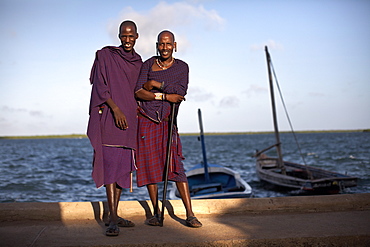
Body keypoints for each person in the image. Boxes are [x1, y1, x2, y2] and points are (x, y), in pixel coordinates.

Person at [134, 30, 202, 228]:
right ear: (157, 45)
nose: (164, 47)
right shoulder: (147, 64)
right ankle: (156, 213)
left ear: (175, 45)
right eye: (161, 44)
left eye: (168, 44)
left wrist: (156, 84)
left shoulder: (182, 67)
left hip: (167, 121)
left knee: (176, 167)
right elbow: (138, 92)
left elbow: (179, 92)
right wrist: (163, 96)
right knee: (149, 167)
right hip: (145, 120)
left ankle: (190, 214)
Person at [87, 20, 142, 236]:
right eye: (123, 36)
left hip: (131, 122)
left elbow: (140, 91)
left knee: (121, 170)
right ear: (119, 36)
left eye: (131, 36)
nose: (127, 40)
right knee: (110, 168)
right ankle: (111, 220)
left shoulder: (139, 63)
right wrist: (116, 109)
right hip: (111, 118)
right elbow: (100, 86)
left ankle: (114, 215)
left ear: (137, 36)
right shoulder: (107, 56)